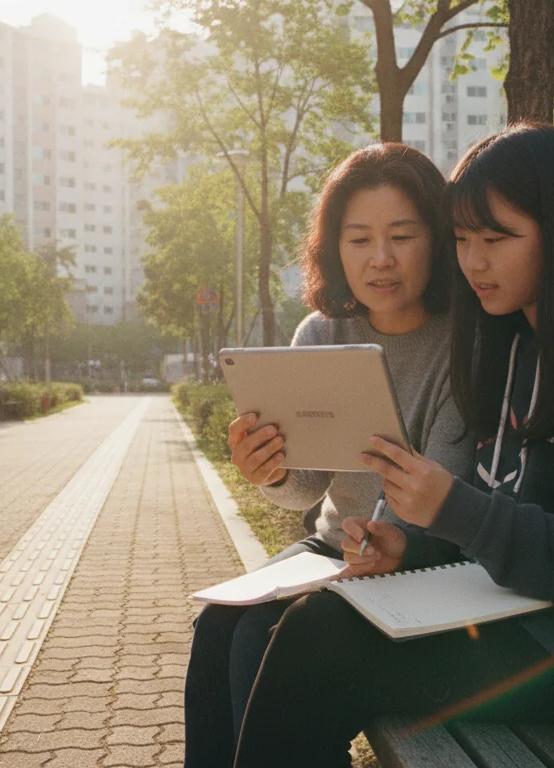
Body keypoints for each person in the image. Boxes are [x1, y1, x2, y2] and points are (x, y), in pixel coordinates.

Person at [228, 123, 554, 767]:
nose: (472, 262)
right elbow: (504, 505)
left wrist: (453, 510)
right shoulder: (517, 337)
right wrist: (412, 545)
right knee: (265, 631)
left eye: (496, 239)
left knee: (321, 642)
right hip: (520, 605)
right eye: (461, 240)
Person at [185, 143, 475, 768]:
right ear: (333, 249)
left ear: (436, 238)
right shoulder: (321, 333)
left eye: (402, 235)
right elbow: (303, 490)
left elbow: (442, 497)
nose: (380, 260)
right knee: (216, 628)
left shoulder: (462, 344)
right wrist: (271, 470)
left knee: (259, 642)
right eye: (359, 239)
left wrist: (377, 543)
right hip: (328, 549)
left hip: (411, 560)